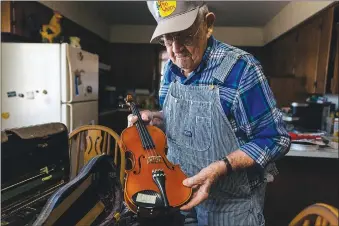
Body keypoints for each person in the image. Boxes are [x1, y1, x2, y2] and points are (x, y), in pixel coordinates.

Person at [128, 1, 291, 225]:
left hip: (231, 207)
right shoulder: (171, 70)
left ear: (208, 24)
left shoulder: (242, 69)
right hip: (179, 194)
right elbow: (182, 121)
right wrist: (156, 118)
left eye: (185, 35)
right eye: (167, 38)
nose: (175, 49)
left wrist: (221, 167)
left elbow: (275, 138)